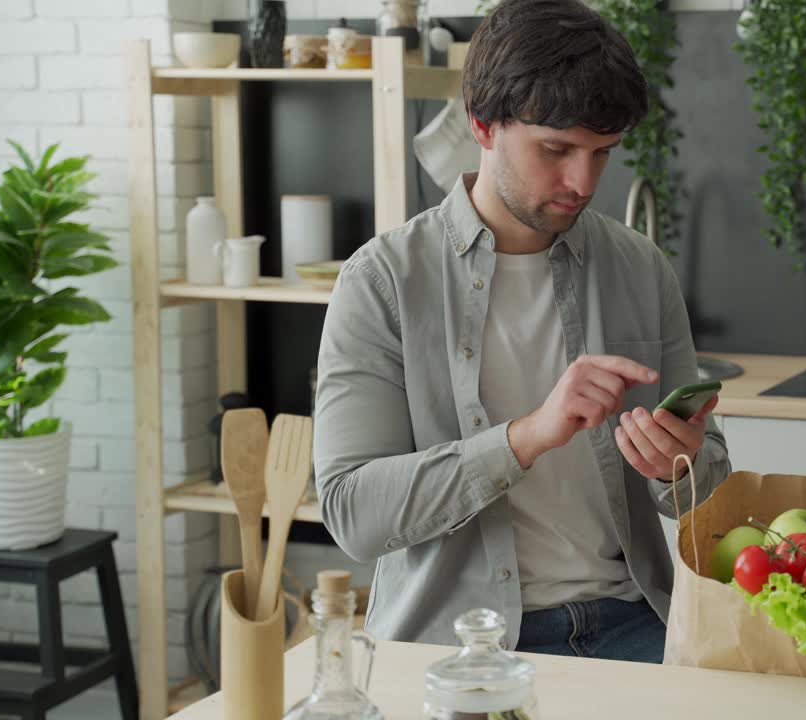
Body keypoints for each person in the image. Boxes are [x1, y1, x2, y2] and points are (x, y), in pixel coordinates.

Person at [312, 0, 731, 664]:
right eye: (556, 149)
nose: (582, 181)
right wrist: (527, 436)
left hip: (638, 625)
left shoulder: (640, 269)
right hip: (457, 642)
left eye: (603, 152)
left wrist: (674, 469)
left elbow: (710, 493)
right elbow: (353, 515)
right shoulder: (384, 280)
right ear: (482, 124)